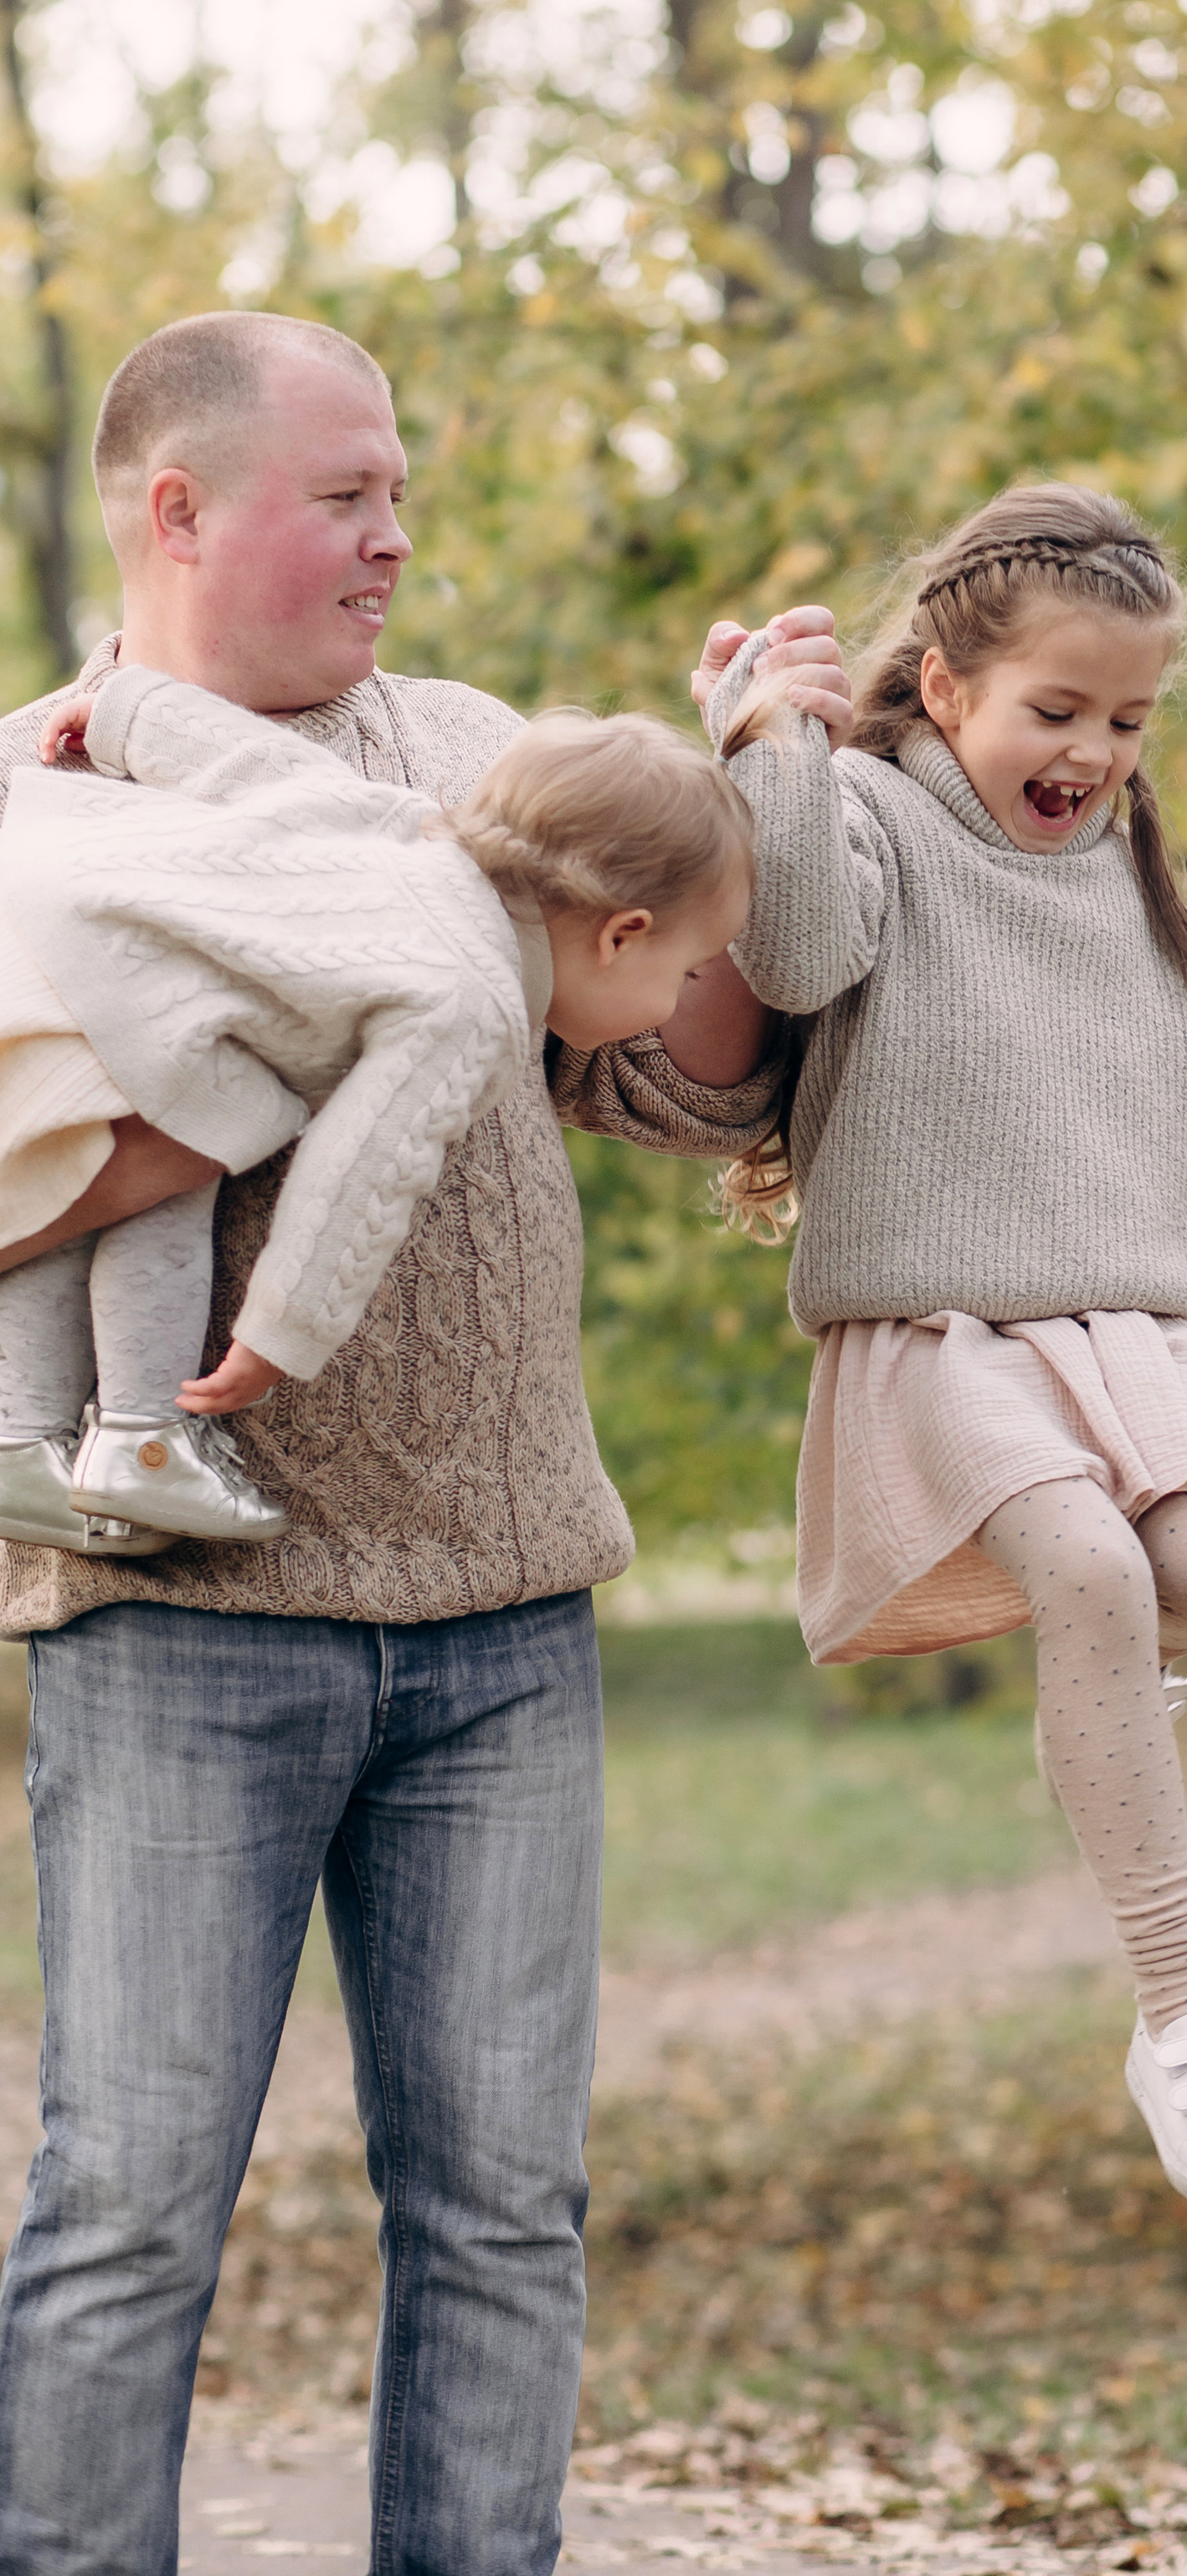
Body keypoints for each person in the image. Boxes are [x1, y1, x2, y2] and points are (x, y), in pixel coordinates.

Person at [0, 310, 839, 2576]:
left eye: (402, 492)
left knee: (500, 2213)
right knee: (127, 2214)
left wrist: (765, 787)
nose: (393, 536)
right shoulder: (37, 797)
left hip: (499, 1619)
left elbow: (700, 1074)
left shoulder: (487, 759)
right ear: (177, 511)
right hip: (179, 1618)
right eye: (342, 494)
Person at [698, 484, 1187, 2212]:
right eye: (1057, 711)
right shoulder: (879, 820)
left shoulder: (1125, 882)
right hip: (939, 1330)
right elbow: (794, 942)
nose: (1095, 752)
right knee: (1090, 1573)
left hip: (1117, 1336)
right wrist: (768, 742)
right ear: (949, 682)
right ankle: (1186, 2020)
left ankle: (1104, 1710)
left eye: (1126, 721)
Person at [0, 680, 753, 1552]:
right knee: (182, 1158)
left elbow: (253, 762)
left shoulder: (394, 823)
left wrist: (128, 712)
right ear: (620, 933)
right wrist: (283, 1330)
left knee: (86, 1197)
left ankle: (26, 1440)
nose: (672, 1006)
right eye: (689, 972)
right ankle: (137, 1440)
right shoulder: (472, 997)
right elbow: (365, 1169)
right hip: (120, 986)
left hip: (60, 923)